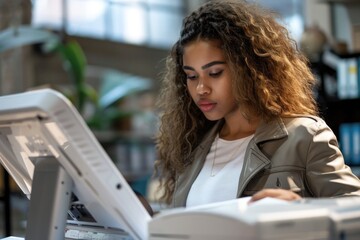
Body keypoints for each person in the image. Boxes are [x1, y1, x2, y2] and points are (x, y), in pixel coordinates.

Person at [154, 0, 360, 208]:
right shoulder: (193, 147)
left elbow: (354, 212)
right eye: (191, 76)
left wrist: (301, 209)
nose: (201, 88)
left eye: (214, 73)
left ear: (247, 68)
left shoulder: (304, 137)